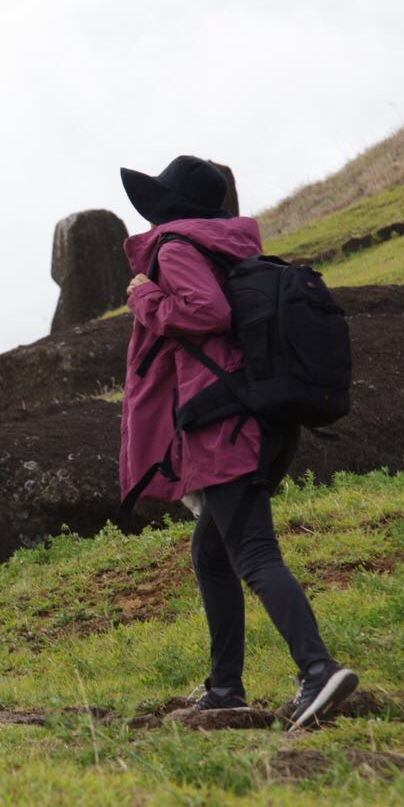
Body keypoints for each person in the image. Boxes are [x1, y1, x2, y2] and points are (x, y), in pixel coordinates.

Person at [117, 155, 357, 730]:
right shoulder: (232, 247)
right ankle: (225, 687)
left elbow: (207, 310)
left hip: (223, 423)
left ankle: (318, 669)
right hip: (262, 417)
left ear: (169, 207)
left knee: (252, 554)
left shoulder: (175, 249)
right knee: (211, 553)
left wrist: (144, 298)